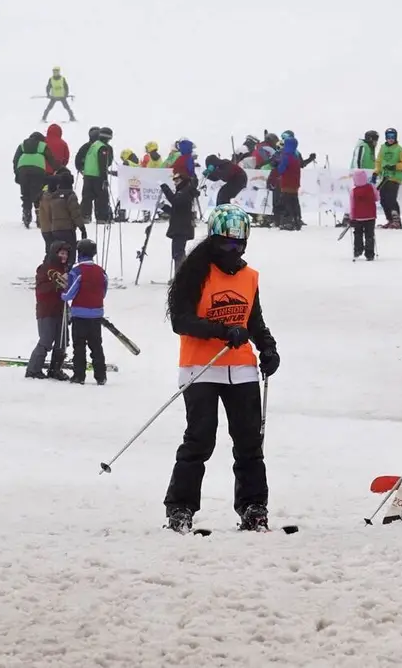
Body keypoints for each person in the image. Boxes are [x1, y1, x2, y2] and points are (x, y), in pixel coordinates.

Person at [163, 204, 280, 533]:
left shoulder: (249, 277)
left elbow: (254, 321)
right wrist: (220, 330)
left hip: (241, 368)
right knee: (200, 440)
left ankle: (254, 506)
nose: (234, 251)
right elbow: (180, 321)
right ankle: (181, 506)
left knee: (248, 441)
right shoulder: (194, 273)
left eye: (239, 244)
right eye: (227, 244)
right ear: (213, 241)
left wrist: (268, 348)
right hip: (201, 367)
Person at [60, 239, 109, 385]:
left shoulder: (77, 271)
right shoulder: (101, 271)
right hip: (96, 314)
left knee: (79, 346)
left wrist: (62, 295)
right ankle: (101, 376)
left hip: (80, 314)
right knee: (96, 346)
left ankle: (79, 375)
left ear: (79, 253)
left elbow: (70, 293)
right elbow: (103, 291)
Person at [26, 240, 72, 380]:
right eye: (61, 253)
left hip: (61, 310)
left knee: (62, 340)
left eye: (66, 254)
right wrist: (58, 284)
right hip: (46, 310)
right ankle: (33, 370)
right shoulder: (44, 269)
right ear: (55, 253)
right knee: (46, 340)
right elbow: (42, 289)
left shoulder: (65, 270)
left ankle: (55, 369)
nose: (64, 257)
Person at [15, 130, 61, 227]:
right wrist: (59, 170)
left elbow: (15, 160)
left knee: (25, 194)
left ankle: (26, 214)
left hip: (23, 170)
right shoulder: (42, 146)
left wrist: (17, 174)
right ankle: (40, 217)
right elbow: (51, 159)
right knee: (38, 194)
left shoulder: (22, 145)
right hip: (38, 170)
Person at [39, 169, 87, 255]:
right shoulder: (70, 195)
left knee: (56, 254)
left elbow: (49, 214)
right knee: (70, 254)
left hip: (55, 230)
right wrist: (82, 228)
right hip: (67, 230)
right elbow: (75, 213)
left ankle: (51, 267)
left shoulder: (53, 196)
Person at [161, 170, 197, 277]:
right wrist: (164, 207)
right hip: (180, 227)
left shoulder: (185, 191)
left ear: (183, 180)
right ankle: (182, 275)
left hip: (182, 228)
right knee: (177, 252)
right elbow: (176, 210)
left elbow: (175, 202)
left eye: (177, 180)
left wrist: (165, 188)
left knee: (178, 253)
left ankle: (180, 276)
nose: (175, 182)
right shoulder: (182, 191)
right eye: (174, 180)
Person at [375, 128, 402, 228]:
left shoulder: (400, 149)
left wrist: (395, 166)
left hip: (394, 178)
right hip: (384, 177)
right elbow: (379, 161)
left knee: (391, 199)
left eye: (392, 137)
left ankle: (396, 220)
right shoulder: (382, 148)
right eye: (388, 137)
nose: (390, 139)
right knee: (383, 200)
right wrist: (376, 172)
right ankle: (390, 219)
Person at [80, 126, 114, 223]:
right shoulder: (102, 147)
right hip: (97, 176)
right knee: (102, 197)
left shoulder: (94, 145)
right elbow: (102, 164)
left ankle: (85, 216)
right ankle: (101, 218)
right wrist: (104, 178)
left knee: (87, 197)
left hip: (87, 175)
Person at [348, 169, 378, 261]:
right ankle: (369, 253)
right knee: (369, 234)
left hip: (358, 217)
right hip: (371, 216)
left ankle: (358, 249)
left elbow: (352, 205)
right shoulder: (371, 187)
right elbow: (377, 198)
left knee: (358, 233)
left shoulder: (353, 191)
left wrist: (351, 217)